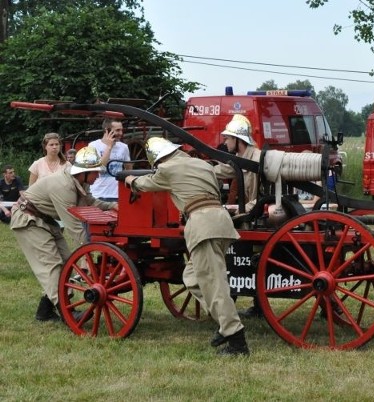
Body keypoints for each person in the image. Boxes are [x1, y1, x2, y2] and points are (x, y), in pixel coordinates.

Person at [125, 137, 249, 356]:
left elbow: (146, 184)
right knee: (192, 277)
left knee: (214, 284)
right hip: (221, 222)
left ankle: (236, 339)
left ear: (157, 158)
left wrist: (129, 181)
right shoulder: (203, 165)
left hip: (202, 224)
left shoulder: (167, 169)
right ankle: (224, 320)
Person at [10, 147, 118, 322]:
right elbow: (74, 226)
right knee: (51, 265)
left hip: (43, 220)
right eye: (96, 172)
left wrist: (111, 206)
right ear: (85, 171)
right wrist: (89, 253)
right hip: (28, 220)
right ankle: (67, 314)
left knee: (68, 263)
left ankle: (44, 312)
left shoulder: (78, 180)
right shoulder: (63, 185)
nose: (98, 176)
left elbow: (88, 201)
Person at [212, 114, 263, 318]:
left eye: (228, 138)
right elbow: (222, 170)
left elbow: (261, 198)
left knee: (229, 250)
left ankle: (229, 299)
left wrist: (237, 210)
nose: (225, 142)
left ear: (238, 140)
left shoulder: (257, 159)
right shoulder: (244, 159)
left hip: (256, 217)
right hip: (252, 214)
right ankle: (244, 300)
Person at [89, 119, 132, 201]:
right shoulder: (93, 146)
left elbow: (129, 169)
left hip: (118, 194)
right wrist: (109, 147)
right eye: (117, 130)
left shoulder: (124, 147)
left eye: (121, 130)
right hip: (98, 194)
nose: (121, 133)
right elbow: (100, 168)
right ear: (107, 130)